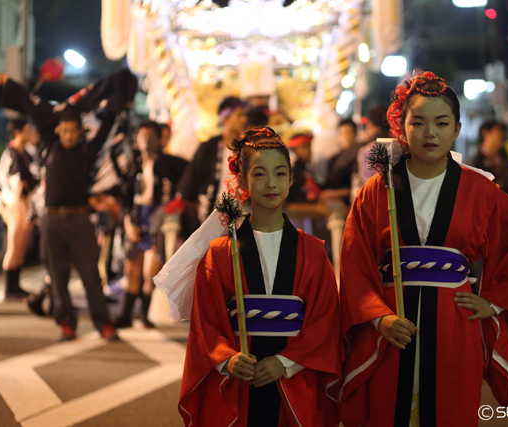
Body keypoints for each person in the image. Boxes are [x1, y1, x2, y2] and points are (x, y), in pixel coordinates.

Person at [337, 71, 508, 427]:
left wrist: (493, 302)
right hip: (390, 325)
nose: (430, 133)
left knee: (449, 410)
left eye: (442, 123)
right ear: (402, 127)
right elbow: (355, 263)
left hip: (454, 322)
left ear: (457, 130)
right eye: (419, 122)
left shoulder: (482, 190)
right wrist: (378, 317)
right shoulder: (375, 190)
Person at [171, 127, 341, 426]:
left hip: (293, 377)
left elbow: (324, 321)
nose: (271, 183)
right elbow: (205, 324)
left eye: (279, 173)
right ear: (244, 181)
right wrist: (228, 359)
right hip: (240, 375)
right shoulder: (221, 253)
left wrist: (285, 362)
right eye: (260, 174)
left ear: (291, 178)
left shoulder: (313, 252)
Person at [0, 72, 122, 341]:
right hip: (52, 220)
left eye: (74, 131)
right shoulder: (48, 144)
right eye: (64, 130)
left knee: (89, 274)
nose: (68, 135)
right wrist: (11, 84)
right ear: (57, 130)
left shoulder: (88, 151)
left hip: (79, 220)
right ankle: (66, 322)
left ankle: (104, 324)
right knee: (57, 274)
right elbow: (34, 107)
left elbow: (109, 122)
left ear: (80, 132)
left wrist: (119, 96)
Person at [115, 121, 187, 329]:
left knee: (150, 272)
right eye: (141, 135)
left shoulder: (169, 163)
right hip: (137, 218)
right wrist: (127, 220)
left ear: (159, 139)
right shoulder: (133, 165)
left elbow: (189, 179)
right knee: (132, 270)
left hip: (159, 220)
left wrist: (175, 203)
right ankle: (125, 315)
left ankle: (144, 315)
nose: (144, 139)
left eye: (149, 135)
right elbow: (124, 197)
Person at [177, 96, 248, 224]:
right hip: (212, 213)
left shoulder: (247, 148)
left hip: (242, 213)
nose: (244, 119)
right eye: (239, 115)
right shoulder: (209, 147)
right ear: (226, 118)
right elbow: (192, 177)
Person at [0, 118, 39, 299]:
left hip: (24, 202)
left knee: (21, 245)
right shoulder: (12, 153)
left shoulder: (25, 153)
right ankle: (9, 287)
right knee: (15, 244)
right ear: (18, 132)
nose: (30, 132)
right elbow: (17, 185)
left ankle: (15, 285)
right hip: (15, 203)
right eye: (27, 129)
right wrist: (24, 209)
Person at [469, 121, 508, 199]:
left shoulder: (505, 156)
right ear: (485, 133)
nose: (502, 135)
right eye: (498, 131)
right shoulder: (476, 162)